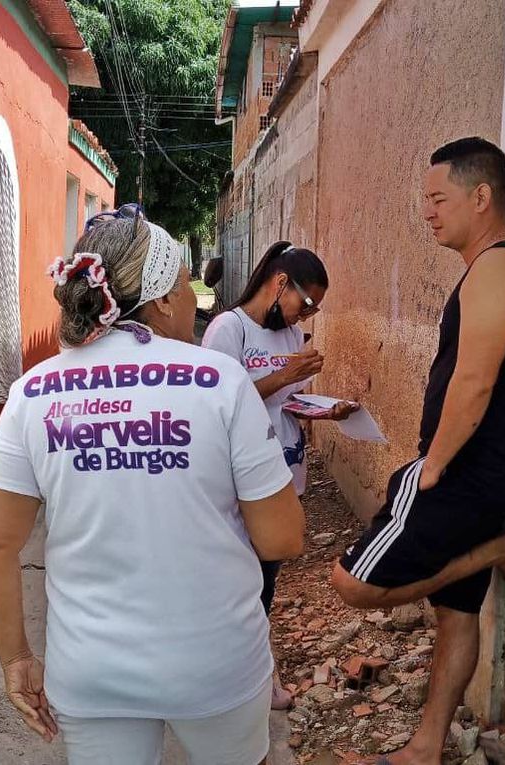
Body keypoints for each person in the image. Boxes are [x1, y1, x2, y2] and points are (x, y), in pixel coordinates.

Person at [0, 207, 305, 765]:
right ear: (163, 301)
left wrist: (17, 659)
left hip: (92, 672)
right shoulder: (220, 383)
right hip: (216, 663)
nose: (191, 303)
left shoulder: (33, 393)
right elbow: (280, 539)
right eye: (184, 286)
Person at [330, 137, 505, 765]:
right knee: (456, 614)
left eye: (437, 198)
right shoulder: (491, 270)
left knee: (353, 583)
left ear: (481, 196)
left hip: (465, 474)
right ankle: (427, 745)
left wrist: (434, 465)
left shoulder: (501, 267)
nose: (427, 212)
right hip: (484, 475)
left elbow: (474, 382)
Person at [201, 242, 357, 709]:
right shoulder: (228, 330)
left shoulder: (289, 337)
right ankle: (230, 675)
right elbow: (216, 405)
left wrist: (326, 410)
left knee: (267, 580)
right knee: (238, 580)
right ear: (280, 283)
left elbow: (284, 404)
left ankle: (253, 674)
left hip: (284, 470)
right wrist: (284, 375)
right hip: (238, 480)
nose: (305, 318)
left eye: (314, 311)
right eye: (305, 304)